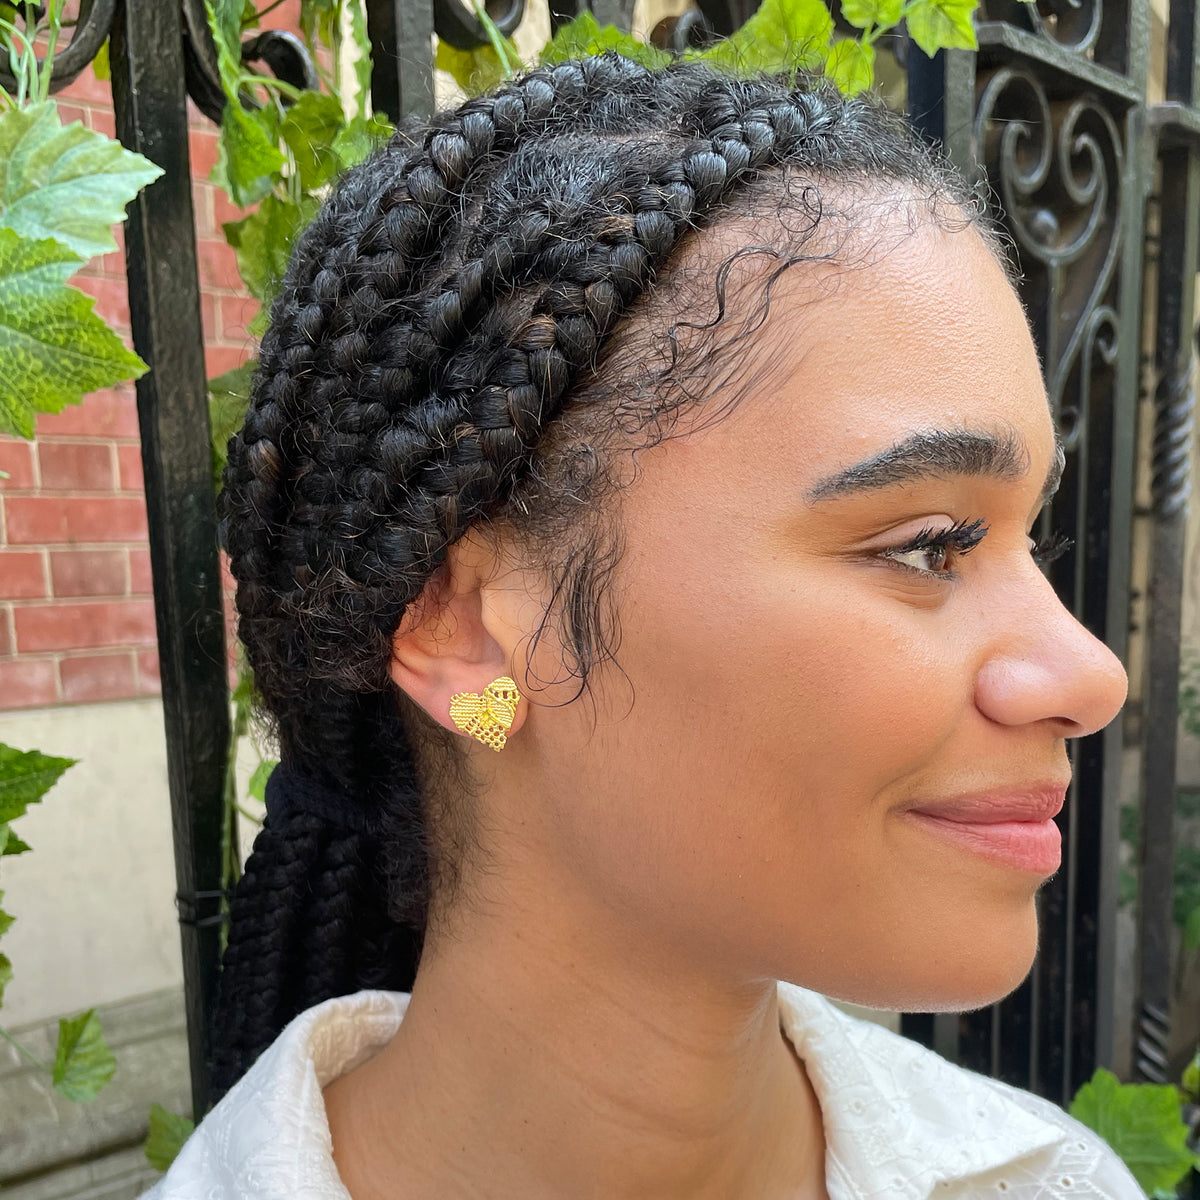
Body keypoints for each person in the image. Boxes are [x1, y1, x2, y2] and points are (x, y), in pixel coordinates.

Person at [146, 52, 1142, 1200]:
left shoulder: (1052, 1181)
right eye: (931, 545)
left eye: (1032, 540)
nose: (1090, 671)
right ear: (465, 627)